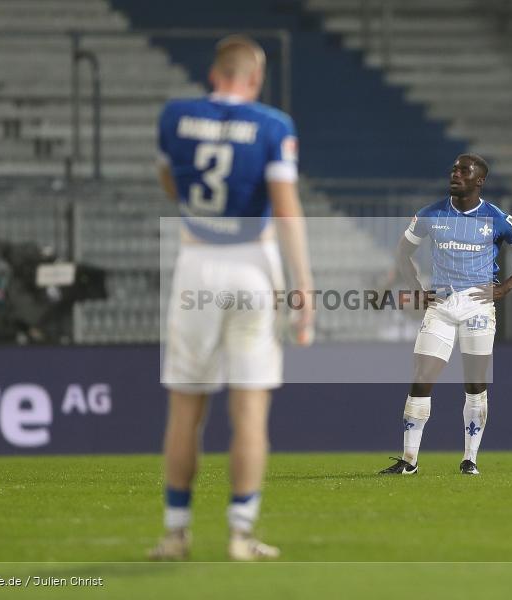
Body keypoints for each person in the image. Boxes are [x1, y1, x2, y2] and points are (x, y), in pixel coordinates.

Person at [148, 35, 313, 561]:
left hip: (196, 262)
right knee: (249, 412)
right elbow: (286, 209)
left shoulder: (174, 117)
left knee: (184, 410)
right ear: (254, 79)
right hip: (252, 265)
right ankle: (241, 534)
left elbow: (170, 182)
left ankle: (175, 533)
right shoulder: (272, 125)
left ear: (214, 73)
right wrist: (302, 286)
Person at [379, 154, 512, 476]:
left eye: (463, 171)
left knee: (475, 384)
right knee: (422, 379)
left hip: (478, 306)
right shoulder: (431, 214)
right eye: (454, 169)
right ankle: (409, 460)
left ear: (479, 180)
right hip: (441, 306)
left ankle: (470, 459)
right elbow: (403, 251)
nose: (455, 174)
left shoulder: (496, 218)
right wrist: (414, 285)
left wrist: (505, 287)